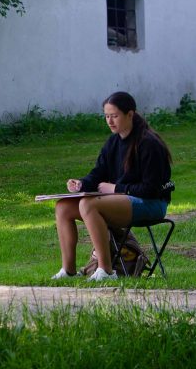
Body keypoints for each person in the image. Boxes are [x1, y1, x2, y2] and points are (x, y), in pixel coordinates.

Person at [53, 91, 172, 282]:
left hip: (152, 203)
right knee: (63, 206)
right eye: (106, 116)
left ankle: (106, 271)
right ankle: (68, 271)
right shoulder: (113, 142)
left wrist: (115, 189)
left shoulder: (149, 143)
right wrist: (81, 183)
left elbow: (151, 189)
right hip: (123, 200)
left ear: (130, 114)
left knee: (88, 205)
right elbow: (98, 173)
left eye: (114, 116)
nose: (109, 121)